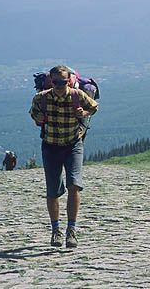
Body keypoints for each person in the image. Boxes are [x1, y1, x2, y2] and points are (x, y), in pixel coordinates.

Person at [29, 65, 98, 248]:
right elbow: (33, 113)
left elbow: (94, 106)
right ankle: (56, 231)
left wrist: (84, 113)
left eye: (63, 82)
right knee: (53, 191)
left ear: (69, 81)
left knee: (74, 185)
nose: (60, 85)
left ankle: (71, 230)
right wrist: (38, 119)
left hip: (73, 144)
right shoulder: (41, 98)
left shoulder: (77, 95)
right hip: (51, 146)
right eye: (56, 82)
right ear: (51, 81)